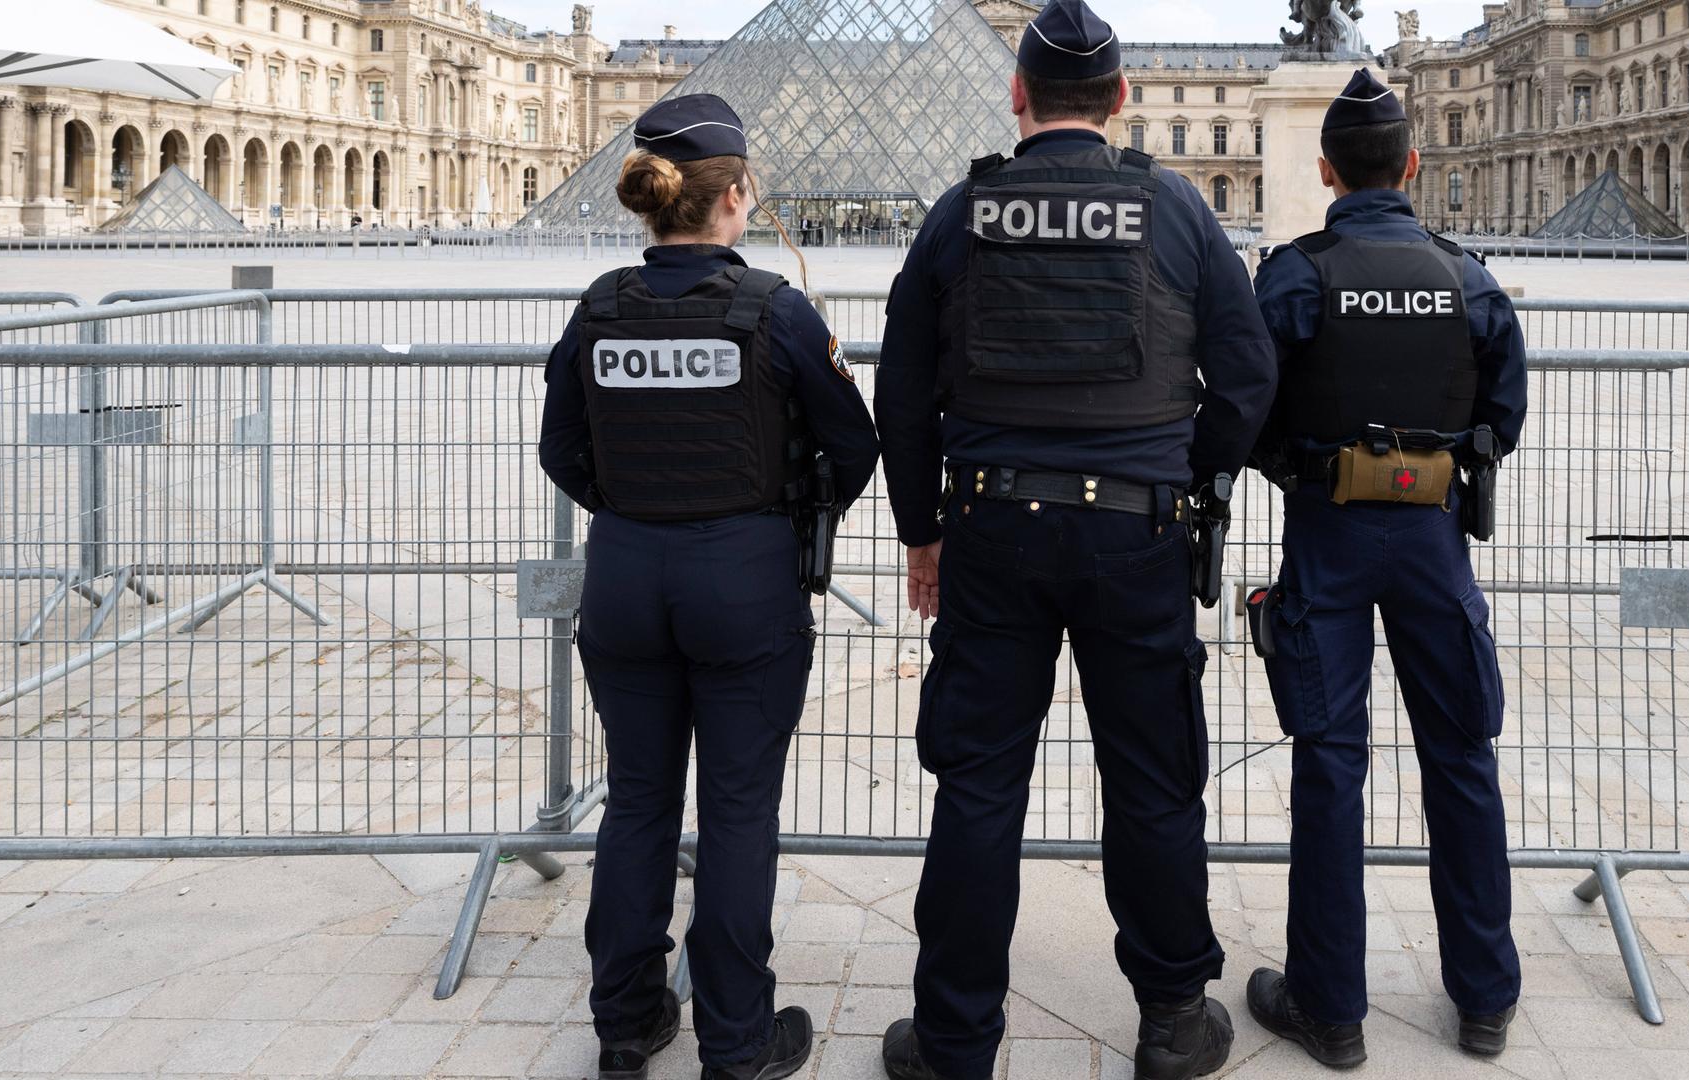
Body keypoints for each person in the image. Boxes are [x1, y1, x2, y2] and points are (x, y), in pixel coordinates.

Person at [872, 2, 1278, 1077]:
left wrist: (922, 534)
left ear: (1017, 98)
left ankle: (956, 1037)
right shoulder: (1178, 209)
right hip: (1136, 533)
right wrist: (1188, 477)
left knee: (978, 786)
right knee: (1152, 781)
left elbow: (903, 393)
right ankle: (1171, 1019)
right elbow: (1246, 376)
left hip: (993, 528)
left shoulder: (962, 212)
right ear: (1120, 100)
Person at [537, 93, 880, 1080]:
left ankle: (627, 1024)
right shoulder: (774, 308)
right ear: (736, 197)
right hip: (743, 579)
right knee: (737, 811)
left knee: (638, 803)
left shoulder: (600, 306)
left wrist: (632, 503)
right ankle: (736, 1040)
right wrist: (776, 512)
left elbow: (560, 450)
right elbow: (852, 447)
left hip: (627, 574)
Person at [1246, 68, 1528, 1069]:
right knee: (1462, 758)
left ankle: (1330, 1009)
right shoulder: (1467, 274)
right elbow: (1505, 411)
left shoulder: (1296, 271)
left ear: (1326, 170)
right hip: (1432, 536)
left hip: (1327, 527)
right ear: (1414, 164)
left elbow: (1247, 395)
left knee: (1331, 767)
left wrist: (1293, 467)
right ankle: (1486, 997)